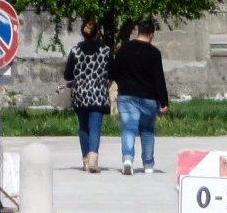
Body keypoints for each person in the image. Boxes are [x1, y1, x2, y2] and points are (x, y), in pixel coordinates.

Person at [110, 20, 171, 175]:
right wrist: (164, 101)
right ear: (151, 35)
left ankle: (128, 159)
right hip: (149, 98)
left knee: (129, 128)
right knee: (147, 131)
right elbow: (159, 79)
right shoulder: (154, 53)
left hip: (127, 95)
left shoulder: (124, 49)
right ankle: (148, 165)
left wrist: (123, 83)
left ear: (137, 32)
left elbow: (113, 72)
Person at [62, 19, 112, 174]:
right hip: (98, 93)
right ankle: (93, 158)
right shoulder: (105, 51)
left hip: (80, 94)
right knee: (95, 128)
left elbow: (67, 74)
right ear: (97, 32)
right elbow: (112, 72)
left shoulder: (75, 50)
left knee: (83, 127)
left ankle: (85, 160)